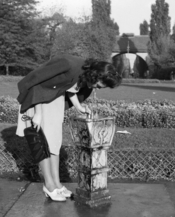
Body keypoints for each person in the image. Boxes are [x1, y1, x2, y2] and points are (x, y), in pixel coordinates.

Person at [16, 54, 122, 202]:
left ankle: (57, 184)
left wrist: (79, 106)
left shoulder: (83, 73)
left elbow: (67, 85)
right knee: (41, 144)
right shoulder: (68, 64)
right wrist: (38, 114)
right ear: (95, 75)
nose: (97, 88)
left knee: (54, 144)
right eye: (98, 85)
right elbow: (37, 82)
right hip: (37, 102)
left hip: (53, 100)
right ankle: (49, 186)